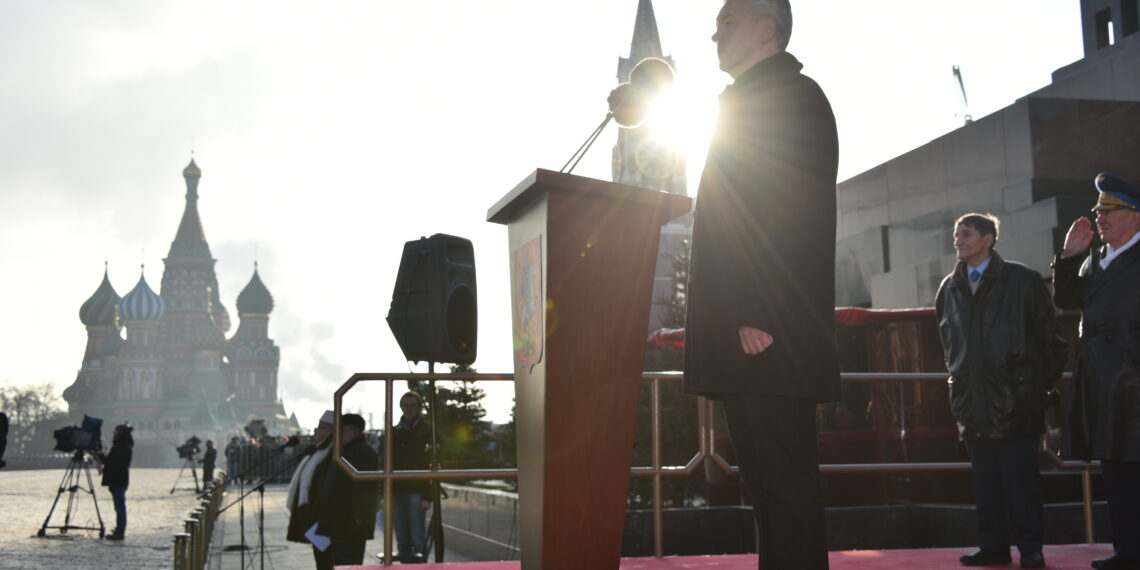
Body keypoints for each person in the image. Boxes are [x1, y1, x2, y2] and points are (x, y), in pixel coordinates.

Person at [680, 1, 839, 567]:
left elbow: (795, 209)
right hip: (747, 332)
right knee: (768, 493)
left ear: (768, 27)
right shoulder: (747, 102)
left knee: (786, 489)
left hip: (769, 332)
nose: (714, 33)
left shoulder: (792, 98)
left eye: (729, 22)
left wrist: (759, 309)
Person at [934, 213, 1067, 569]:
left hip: (1017, 403)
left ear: (989, 239)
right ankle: (992, 546)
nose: (958, 240)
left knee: (1022, 483)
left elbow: (1051, 340)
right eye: (956, 234)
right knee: (985, 484)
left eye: (966, 234)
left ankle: (1031, 549)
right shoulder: (949, 287)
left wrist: (1033, 387)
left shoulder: (1023, 280)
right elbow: (949, 345)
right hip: (973, 404)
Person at [1054, 173, 1140, 570]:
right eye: (1098, 210)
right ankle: (1128, 550)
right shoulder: (1095, 258)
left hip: (1134, 381)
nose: (1099, 217)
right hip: (1102, 382)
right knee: (1116, 466)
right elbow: (1067, 300)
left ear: (1135, 217)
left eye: (1110, 210)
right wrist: (1070, 257)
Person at [313, 413, 380, 570]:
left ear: (355, 431)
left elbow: (367, 489)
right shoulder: (344, 450)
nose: (339, 434)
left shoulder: (363, 452)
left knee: (348, 564)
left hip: (350, 524)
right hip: (337, 522)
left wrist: (358, 517)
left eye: (343, 430)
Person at [286, 410, 335, 566]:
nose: (317, 431)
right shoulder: (318, 449)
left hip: (321, 514)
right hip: (312, 513)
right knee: (320, 560)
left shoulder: (332, 452)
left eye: (322, 428)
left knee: (326, 560)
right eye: (317, 427)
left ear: (332, 430)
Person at [392, 391, 433, 563]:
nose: (408, 409)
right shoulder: (394, 431)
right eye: (405, 405)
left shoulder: (427, 430)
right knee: (402, 538)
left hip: (417, 490)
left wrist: (428, 496)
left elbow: (433, 464)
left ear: (418, 407)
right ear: (401, 407)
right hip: (397, 490)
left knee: (417, 538)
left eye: (412, 405)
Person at [100, 423, 134, 541]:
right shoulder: (123, 445)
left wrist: (103, 458)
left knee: (120, 507)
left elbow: (114, 464)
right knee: (119, 506)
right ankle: (119, 529)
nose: (113, 434)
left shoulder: (122, 446)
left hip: (118, 480)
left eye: (115, 432)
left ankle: (120, 531)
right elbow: (112, 462)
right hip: (119, 480)